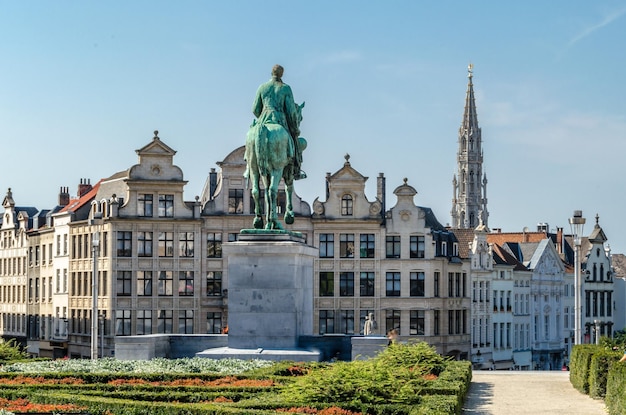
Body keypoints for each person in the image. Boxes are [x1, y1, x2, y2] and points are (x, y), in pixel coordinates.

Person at [252, 64, 304, 179]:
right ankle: (296, 170)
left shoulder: (262, 87)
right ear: (282, 74)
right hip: (280, 120)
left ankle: (249, 169)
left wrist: (263, 116)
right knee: (294, 142)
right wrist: (295, 128)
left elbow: (255, 109)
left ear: (271, 73)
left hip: (263, 120)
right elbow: (291, 112)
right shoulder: (285, 88)